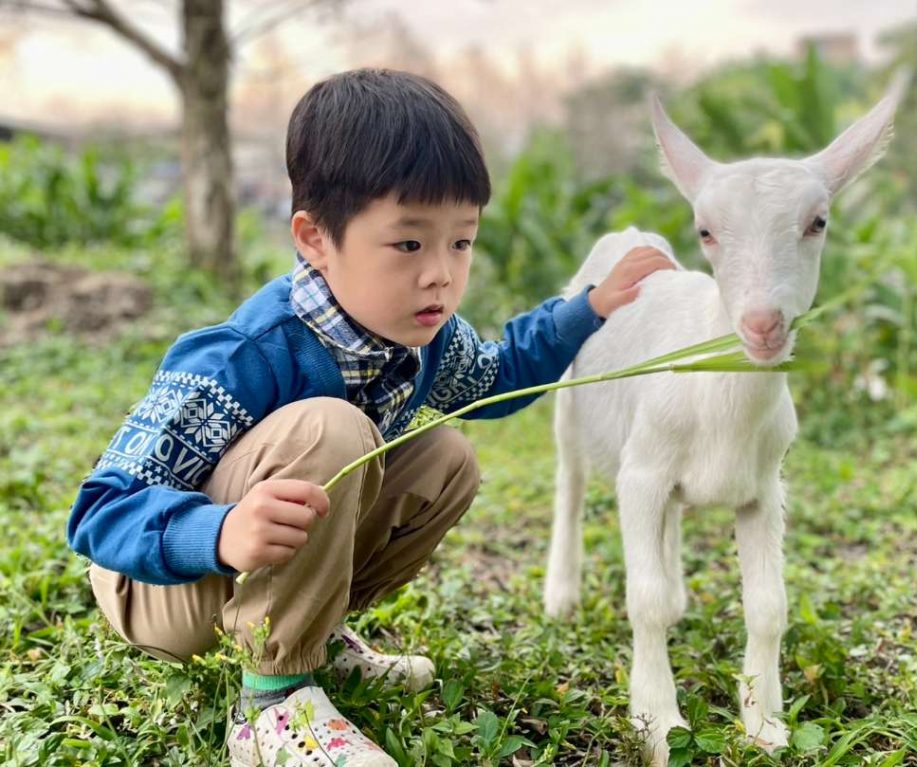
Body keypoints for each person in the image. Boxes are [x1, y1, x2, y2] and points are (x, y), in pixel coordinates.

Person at [67, 68, 674, 767]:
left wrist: (589, 308)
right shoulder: (245, 355)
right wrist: (223, 529)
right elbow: (99, 511)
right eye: (409, 244)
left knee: (445, 458)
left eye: (462, 242)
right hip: (161, 590)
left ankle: (311, 636)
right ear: (315, 239)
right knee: (331, 427)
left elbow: (498, 379)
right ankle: (271, 705)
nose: (440, 274)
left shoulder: (425, 338)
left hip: (254, 568)